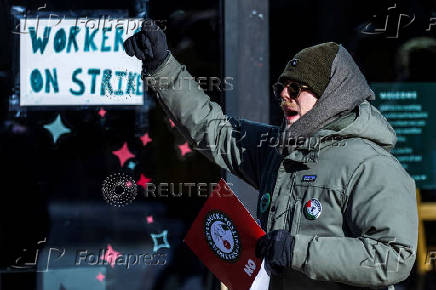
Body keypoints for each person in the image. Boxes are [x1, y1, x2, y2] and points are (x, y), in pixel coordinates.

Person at [123, 20, 418, 290]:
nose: (284, 96)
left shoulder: (371, 165)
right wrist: (162, 66)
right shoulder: (278, 149)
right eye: (281, 88)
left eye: (296, 88)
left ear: (331, 96)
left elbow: (394, 256)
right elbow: (212, 128)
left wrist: (297, 251)